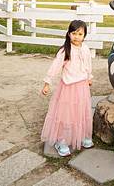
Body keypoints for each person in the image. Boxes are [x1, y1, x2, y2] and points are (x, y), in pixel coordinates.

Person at [41, 19, 94, 157]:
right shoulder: (66, 50)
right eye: (74, 33)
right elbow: (55, 67)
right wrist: (47, 83)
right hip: (68, 87)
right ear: (69, 34)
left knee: (80, 111)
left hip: (82, 86)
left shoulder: (85, 49)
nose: (77, 37)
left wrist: (89, 77)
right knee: (66, 114)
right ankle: (62, 140)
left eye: (80, 34)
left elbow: (88, 65)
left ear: (84, 35)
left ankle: (81, 135)